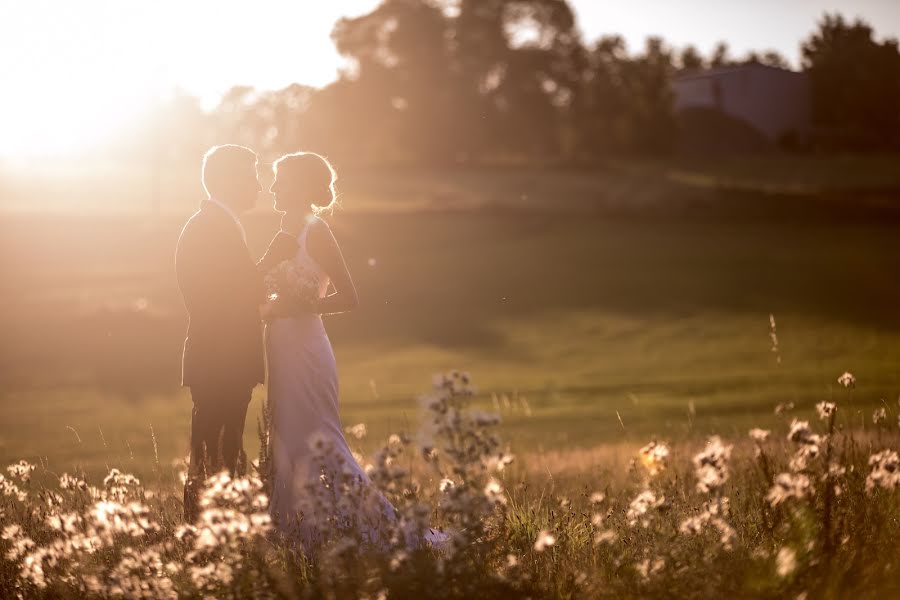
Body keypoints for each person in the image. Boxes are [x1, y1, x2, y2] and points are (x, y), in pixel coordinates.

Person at [175, 144, 298, 522]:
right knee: (213, 453)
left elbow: (234, 287)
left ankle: (218, 532)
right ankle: (203, 537)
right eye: (252, 176)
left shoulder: (217, 223)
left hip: (223, 356)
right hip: (220, 357)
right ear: (228, 180)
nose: (259, 186)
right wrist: (273, 263)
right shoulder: (212, 227)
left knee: (223, 451)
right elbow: (230, 292)